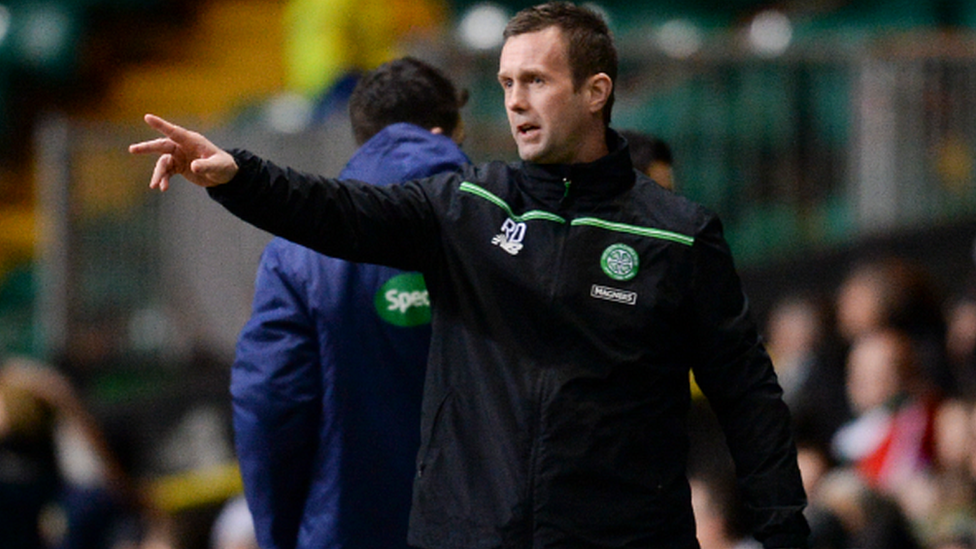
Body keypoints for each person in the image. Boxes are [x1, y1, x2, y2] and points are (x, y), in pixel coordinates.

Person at [129, 3, 809, 548]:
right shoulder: (467, 205)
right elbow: (337, 211)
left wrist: (782, 529)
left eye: (536, 81)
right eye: (507, 83)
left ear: (596, 91)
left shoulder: (677, 233)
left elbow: (747, 393)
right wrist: (237, 175)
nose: (515, 101)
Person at [230, 57, 469, 549]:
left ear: (363, 138)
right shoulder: (508, 233)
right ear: (448, 131)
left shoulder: (295, 254)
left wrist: (280, 536)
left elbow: (269, 407)